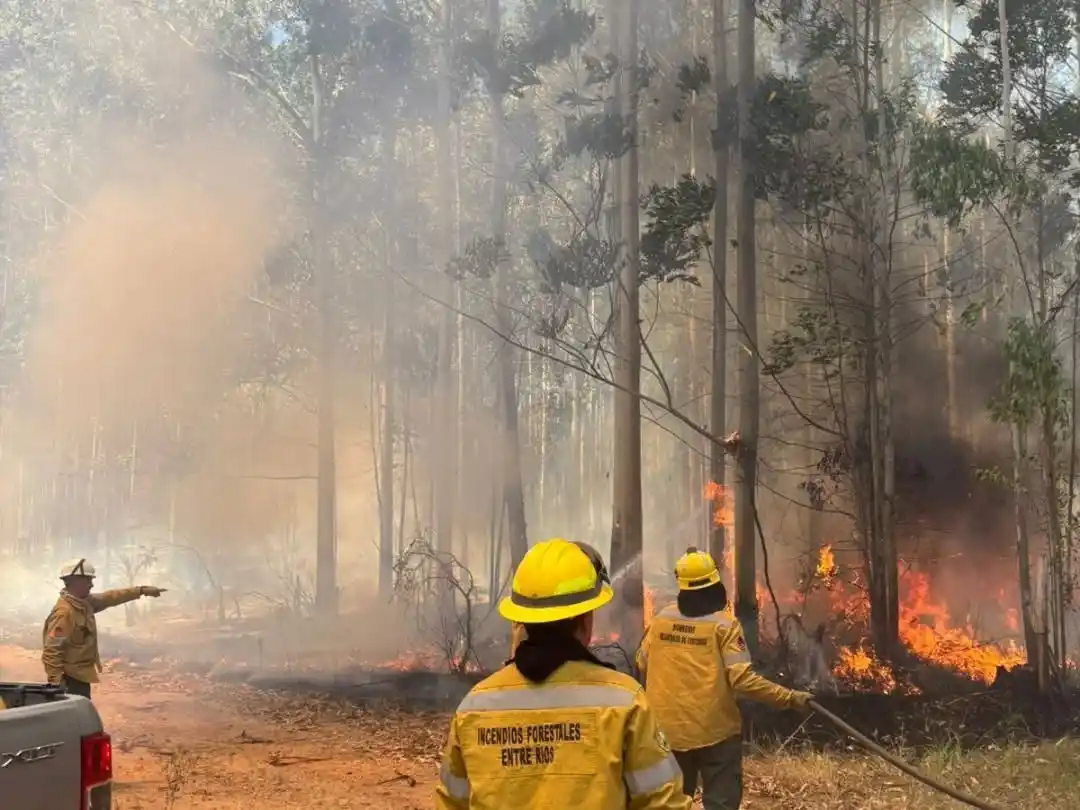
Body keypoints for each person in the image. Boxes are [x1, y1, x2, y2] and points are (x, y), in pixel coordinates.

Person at [436, 538, 691, 810]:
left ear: (522, 619)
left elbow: (451, 804)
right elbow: (664, 803)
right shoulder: (624, 702)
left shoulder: (474, 709)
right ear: (585, 619)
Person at [636, 547, 813, 810]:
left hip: (666, 735)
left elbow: (641, 662)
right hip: (715, 734)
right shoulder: (724, 625)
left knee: (669, 805)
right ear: (714, 584)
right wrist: (790, 698)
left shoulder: (661, 620)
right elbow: (742, 680)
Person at [42, 558, 166, 699]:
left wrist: (140, 590)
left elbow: (110, 597)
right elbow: (52, 650)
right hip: (70, 680)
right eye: (88, 581)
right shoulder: (65, 613)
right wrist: (57, 685)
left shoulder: (83, 603)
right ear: (75, 582)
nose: (91, 585)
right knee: (74, 718)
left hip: (79, 676)